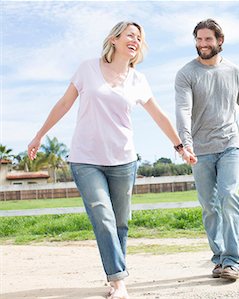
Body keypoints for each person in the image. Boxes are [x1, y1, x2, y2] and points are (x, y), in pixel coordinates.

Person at [28, 21, 196, 299]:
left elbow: (159, 115)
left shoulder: (138, 80)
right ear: (115, 39)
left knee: (120, 223)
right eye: (130, 35)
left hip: (123, 160)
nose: (135, 40)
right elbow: (64, 103)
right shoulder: (87, 69)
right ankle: (119, 281)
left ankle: (114, 276)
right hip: (85, 159)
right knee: (103, 218)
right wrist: (39, 135)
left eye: (139, 38)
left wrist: (180, 147)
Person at [174, 18, 239, 281]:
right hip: (199, 149)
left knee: (229, 196)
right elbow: (183, 110)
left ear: (219, 41)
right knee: (210, 207)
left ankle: (232, 261)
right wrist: (186, 143)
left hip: (230, 145)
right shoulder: (186, 73)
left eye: (208, 39)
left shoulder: (234, 71)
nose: (203, 44)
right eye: (198, 39)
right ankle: (219, 258)